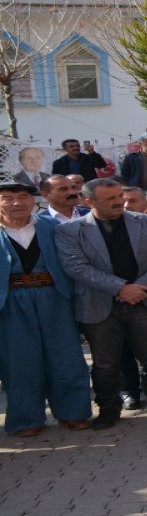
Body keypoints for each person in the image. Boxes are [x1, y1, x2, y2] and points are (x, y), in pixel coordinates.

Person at [55, 178, 147, 429]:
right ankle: (109, 408)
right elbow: (76, 267)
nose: (119, 201)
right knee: (106, 363)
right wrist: (121, 288)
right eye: (110, 199)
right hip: (99, 306)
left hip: (145, 300)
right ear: (89, 201)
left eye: (119, 195)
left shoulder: (145, 222)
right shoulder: (69, 231)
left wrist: (141, 288)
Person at [0, 181, 93, 436]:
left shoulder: (54, 227)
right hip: (10, 301)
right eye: (8, 198)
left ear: (34, 201)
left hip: (54, 297)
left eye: (22, 197)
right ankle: (27, 420)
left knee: (66, 357)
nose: (17, 203)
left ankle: (74, 413)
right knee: (19, 361)